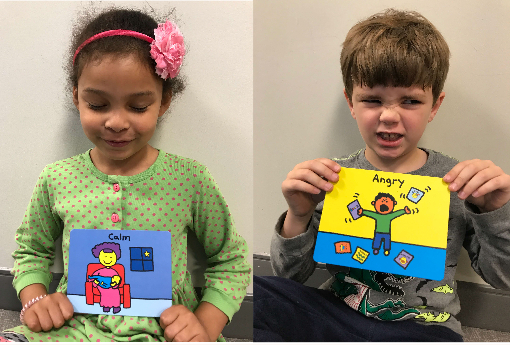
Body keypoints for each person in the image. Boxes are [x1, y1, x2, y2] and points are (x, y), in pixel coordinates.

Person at [253, 9, 510, 342]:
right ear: (351, 102)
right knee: (259, 295)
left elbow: (503, 278)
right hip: (340, 314)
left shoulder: (457, 182)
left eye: (411, 101)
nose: (389, 116)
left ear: (434, 106)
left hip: (423, 326)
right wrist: (298, 216)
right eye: (372, 99)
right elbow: (291, 276)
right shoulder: (335, 178)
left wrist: (495, 213)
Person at [1, 7, 251, 342]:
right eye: (98, 104)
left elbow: (230, 259)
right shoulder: (57, 178)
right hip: (74, 328)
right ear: (77, 97)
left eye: (137, 107)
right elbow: (31, 249)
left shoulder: (189, 179)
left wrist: (204, 324)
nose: (117, 122)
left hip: (162, 333)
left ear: (164, 103)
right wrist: (35, 299)